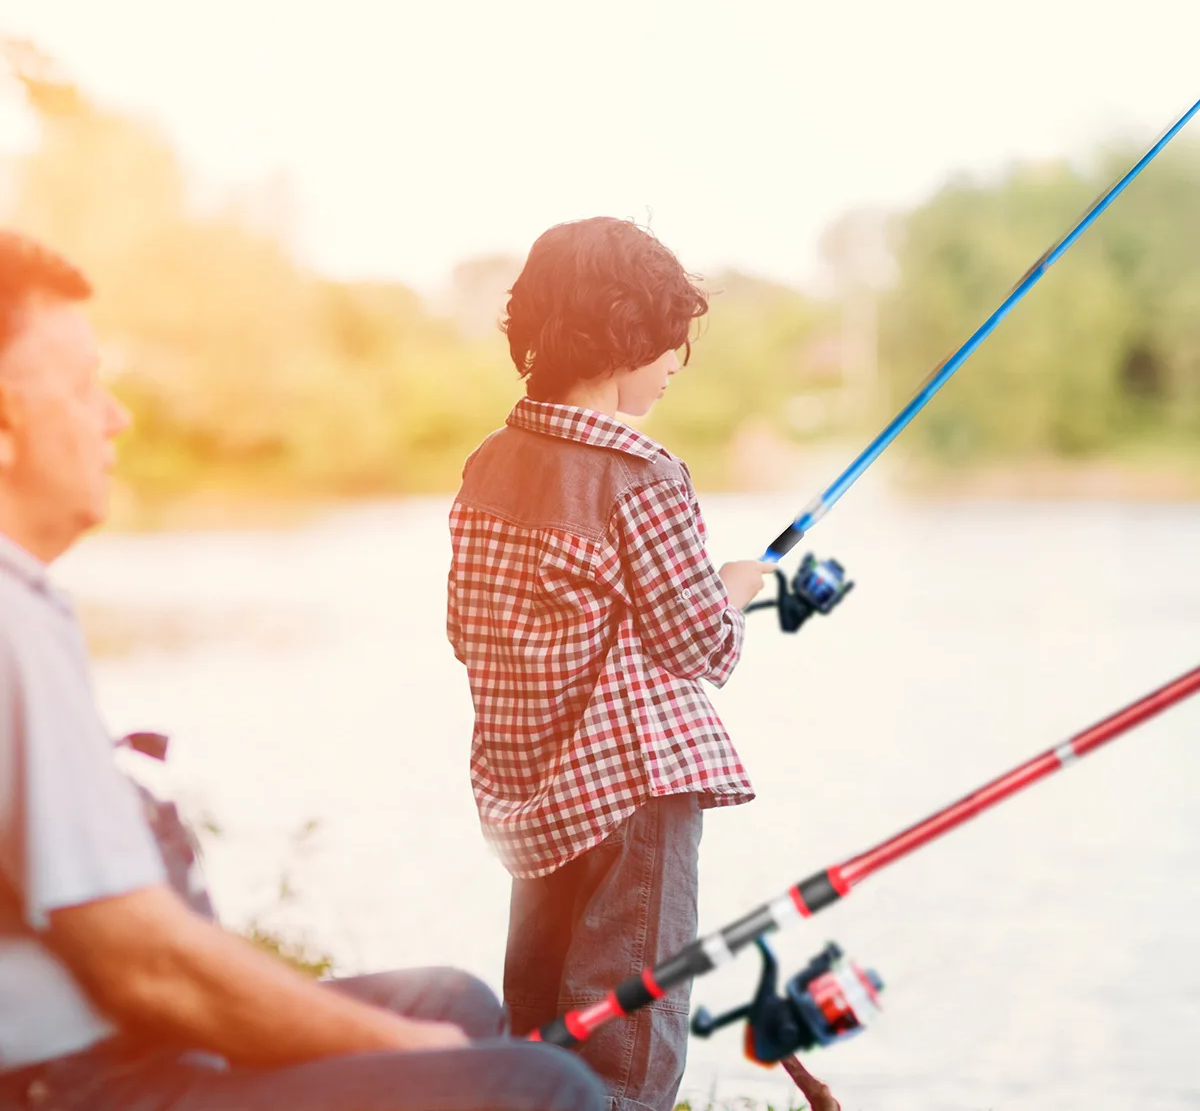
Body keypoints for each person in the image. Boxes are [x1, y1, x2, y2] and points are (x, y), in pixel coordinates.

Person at [0, 229, 604, 1111]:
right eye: (84, 385)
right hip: (81, 1081)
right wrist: (404, 1051)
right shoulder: (11, 613)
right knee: (533, 1086)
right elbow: (144, 963)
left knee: (457, 1002)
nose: (115, 417)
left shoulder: (26, 601)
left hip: (102, 1042)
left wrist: (412, 1039)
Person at [446, 217, 776, 1111]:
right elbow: (698, 645)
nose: (676, 360)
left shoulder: (489, 465)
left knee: (537, 1026)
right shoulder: (644, 474)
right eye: (670, 337)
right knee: (625, 1039)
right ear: (624, 335)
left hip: (530, 789)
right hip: (632, 792)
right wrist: (735, 587)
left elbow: (487, 624)